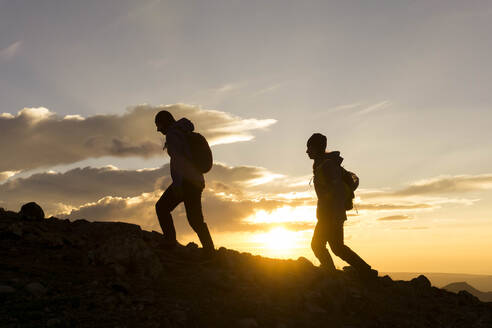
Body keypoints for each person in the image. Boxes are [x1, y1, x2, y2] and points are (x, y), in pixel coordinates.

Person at [307, 133, 377, 278]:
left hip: (330, 215)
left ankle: (330, 273)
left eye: (309, 147)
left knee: (317, 245)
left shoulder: (327, 166)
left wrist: (334, 216)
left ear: (317, 148)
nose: (307, 151)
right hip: (332, 214)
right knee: (337, 247)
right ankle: (366, 271)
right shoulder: (323, 164)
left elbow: (337, 192)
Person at [154, 110, 215, 255]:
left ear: (164, 122)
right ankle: (209, 250)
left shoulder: (173, 134)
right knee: (195, 219)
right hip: (197, 181)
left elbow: (178, 161)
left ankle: (170, 242)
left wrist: (177, 185)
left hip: (186, 182)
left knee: (162, 207)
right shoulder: (184, 132)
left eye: (158, 125)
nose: (158, 129)